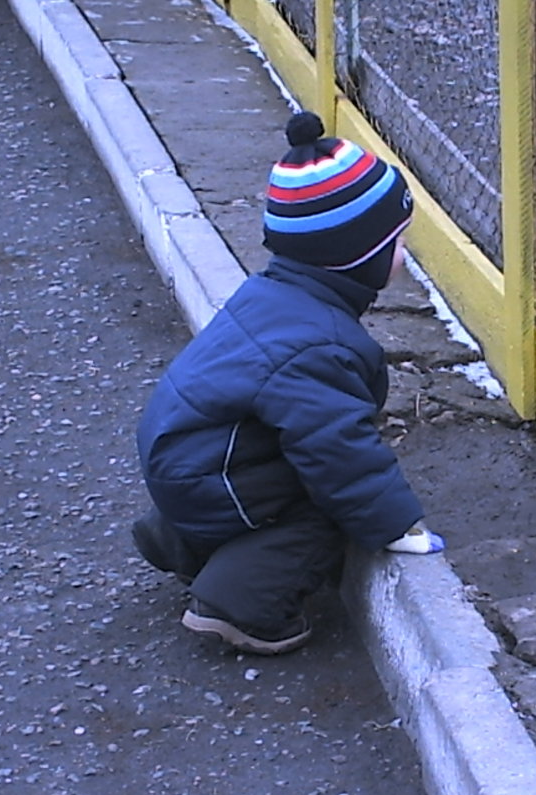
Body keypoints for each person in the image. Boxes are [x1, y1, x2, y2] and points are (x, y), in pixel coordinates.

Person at [132, 111, 444, 655]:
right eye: (395, 242)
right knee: (326, 509)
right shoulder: (319, 344)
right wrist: (393, 523)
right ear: (356, 256)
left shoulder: (275, 297)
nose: (404, 254)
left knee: (284, 475)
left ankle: (177, 537)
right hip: (209, 474)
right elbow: (336, 449)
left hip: (185, 456)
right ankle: (240, 606)